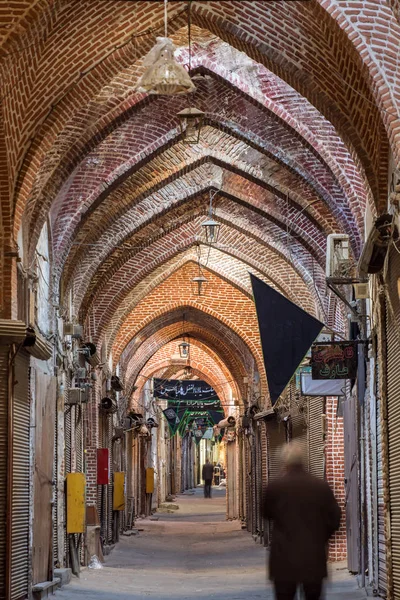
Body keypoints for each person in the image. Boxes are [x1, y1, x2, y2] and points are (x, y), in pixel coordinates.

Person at [264, 442, 341, 600]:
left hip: (283, 558)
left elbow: (266, 513)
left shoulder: (275, 487)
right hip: (313, 557)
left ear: (285, 461)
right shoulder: (320, 486)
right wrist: (322, 537)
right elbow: (335, 518)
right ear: (303, 461)